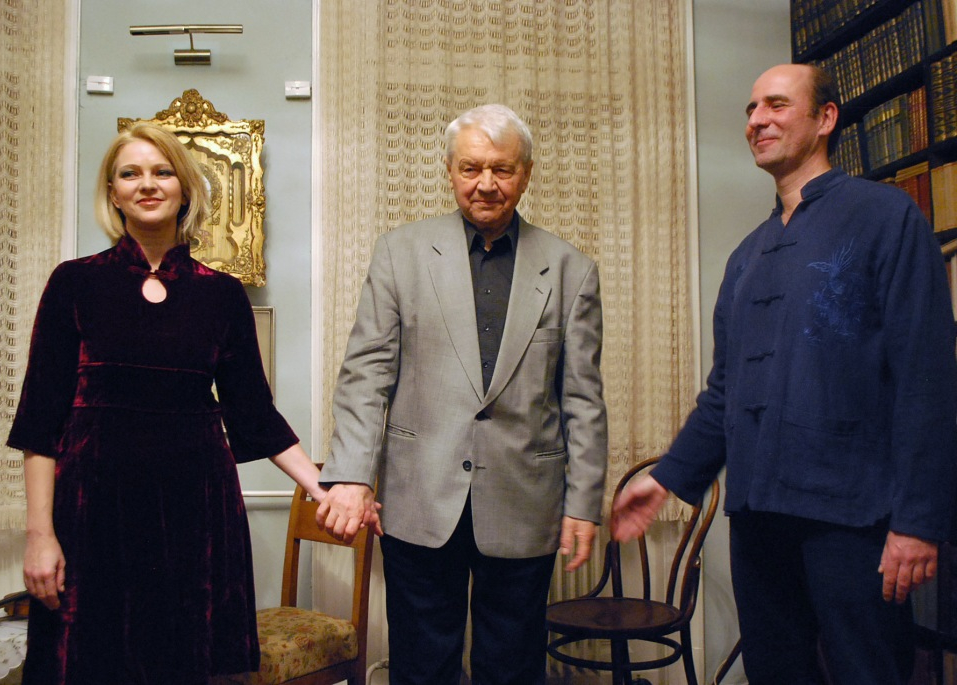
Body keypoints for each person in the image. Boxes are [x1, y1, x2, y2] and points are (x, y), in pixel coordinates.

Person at [611, 64, 957, 684]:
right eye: (750, 109)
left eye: (775, 105)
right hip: (758, 518)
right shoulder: (747, 256)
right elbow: (725, 395)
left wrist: (918, 522)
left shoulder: (886, 217)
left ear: (825, 119)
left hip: (856, 518)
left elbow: (926, 378)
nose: (756, 120)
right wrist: (667, 478)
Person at [7, 123, 368, 685]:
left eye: (162, 172)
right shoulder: (73, 283)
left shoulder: (221, 293)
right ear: (113, 193)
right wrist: (39, 535)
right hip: (92, 516)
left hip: (195, 520)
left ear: (185, 189)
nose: (147, 184)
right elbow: (40, 421)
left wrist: (326, 489)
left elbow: (256, 415)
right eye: (130, 173)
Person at [315, 104, 609, 685]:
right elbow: (366, 372)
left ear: (526, 173)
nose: (486, 184)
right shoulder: (399, 252)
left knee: (513, 669)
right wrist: (351, 474)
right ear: (450, 170)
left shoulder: (571, 269)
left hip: (524, 500)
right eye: (471, 168)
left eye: (502, 169)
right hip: (419, 497)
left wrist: (583, 501)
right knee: (422, 668)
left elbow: (583, 399)